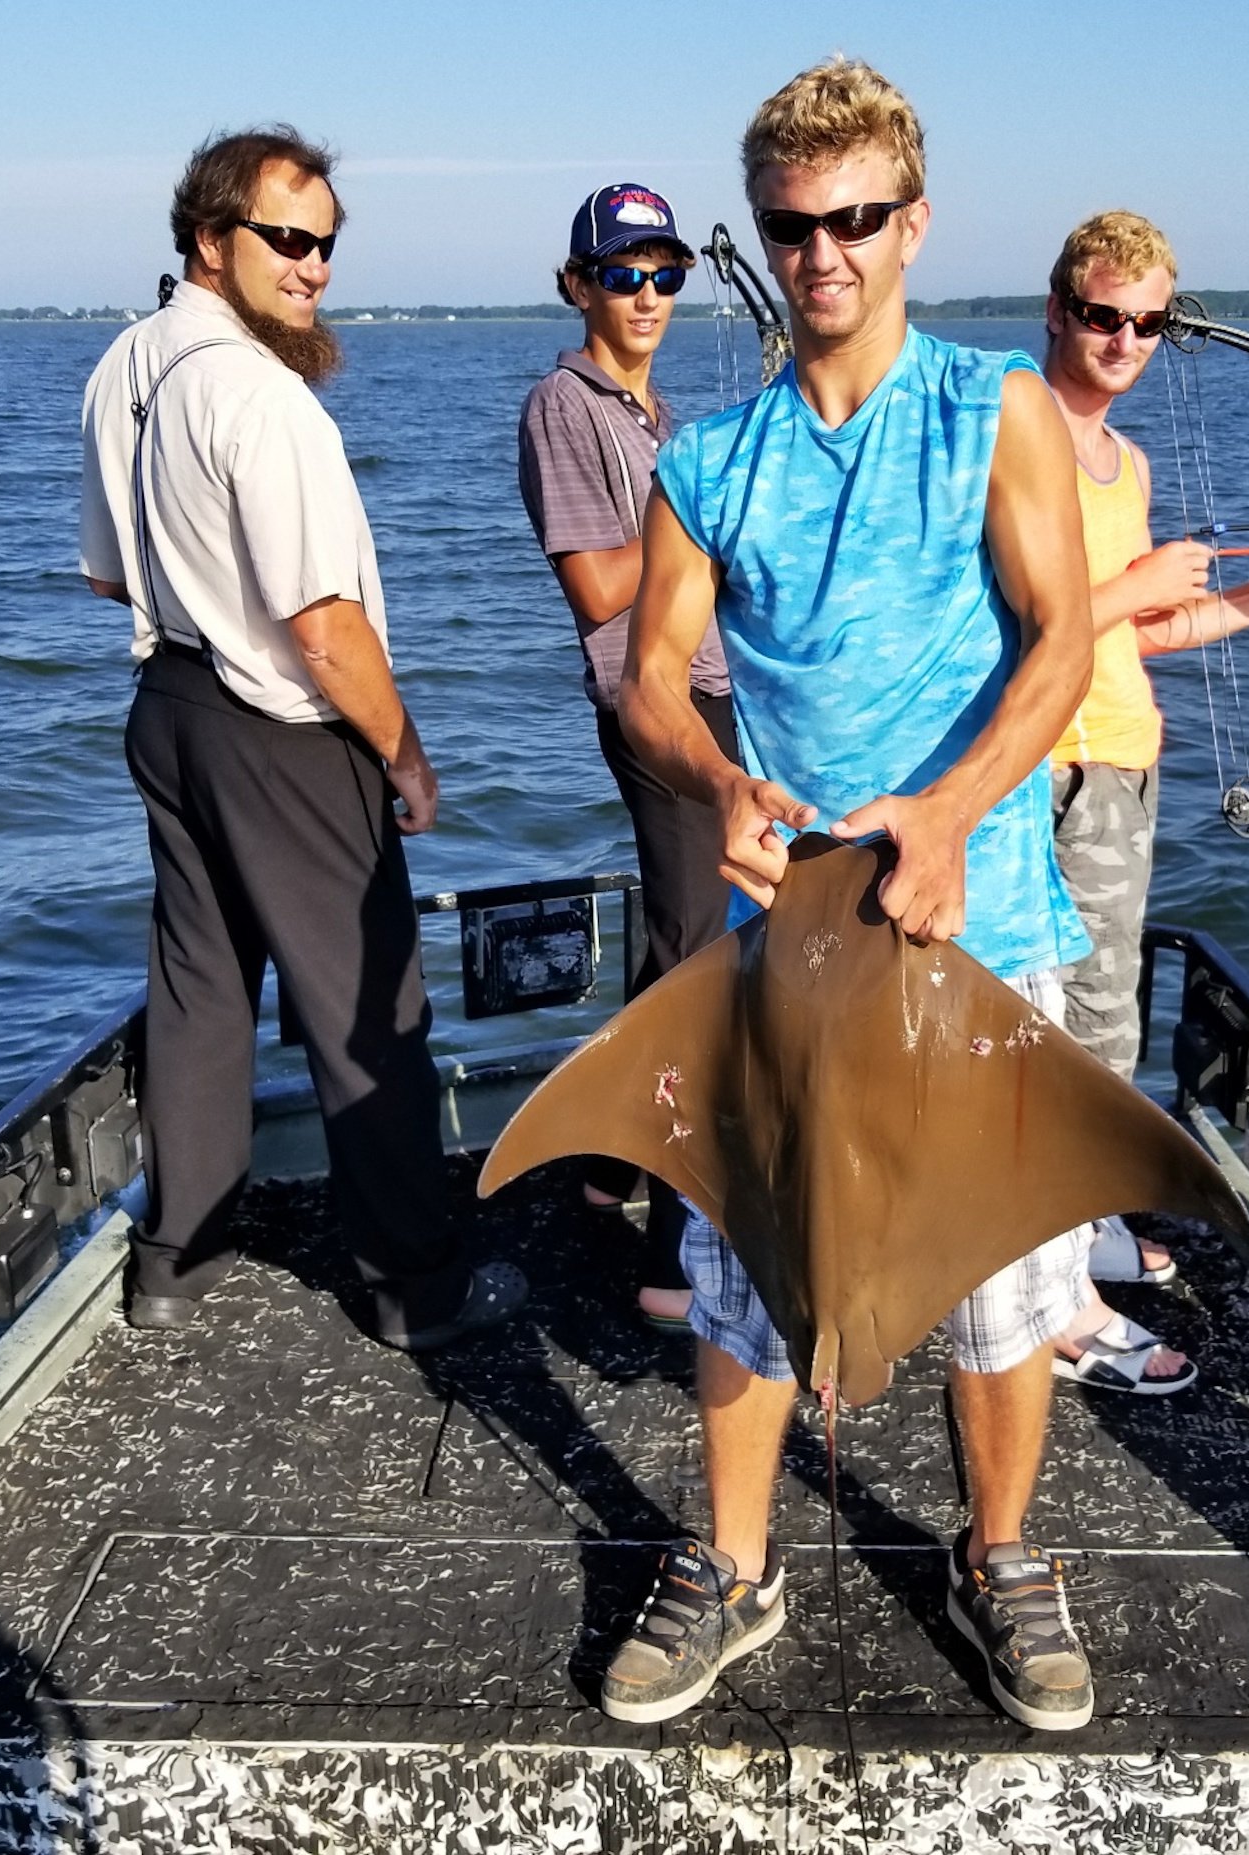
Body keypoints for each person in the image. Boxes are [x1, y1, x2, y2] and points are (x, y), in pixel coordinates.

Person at [607, 57, 1102, 1732]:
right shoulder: (709, 458)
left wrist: (952, 811)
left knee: (1002, 1284)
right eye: (791, 226)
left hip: (980, 929)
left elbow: (1065, 642)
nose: (823, 253)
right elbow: (650, 679)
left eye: (857, 219)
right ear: (762, 234)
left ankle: (1001, 1555)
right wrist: (719, 782)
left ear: (915, 223)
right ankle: (735, 1565)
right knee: (746, 1266)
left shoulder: (998, 408)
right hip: (793, 951)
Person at [79, 126, 525, 1347]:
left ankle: (176, 1261)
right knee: (364, 1004)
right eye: (284, 239)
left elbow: (109, 576)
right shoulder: (265, 399)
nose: (312, 266)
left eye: (325, 244)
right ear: (207, 239)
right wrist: (405, 755)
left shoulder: (122, 365)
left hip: (167, 708)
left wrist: (199, 601)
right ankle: (415, 1288)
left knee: (198, 988)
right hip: (280, 728)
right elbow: (325, 630)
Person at [1038, 211, 1249, 1391]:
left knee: (1103, 1023)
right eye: (1101, 315)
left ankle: (1068, 1229)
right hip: (1045, 770)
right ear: (1057, 309)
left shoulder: (1124, 462)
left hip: (1120, 765)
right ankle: (1050, 1298)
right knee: (1072, 1034)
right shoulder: (1016, 441)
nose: (1124, 340)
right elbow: (1005, 621)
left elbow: (1142, 631)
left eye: (1148, 323)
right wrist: (1132, 585)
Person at [517, 184, 736, 1331]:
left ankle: (606, 1163)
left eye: (663, 276)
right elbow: (598, 585)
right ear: (576, 285)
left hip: (711, 691)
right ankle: (670, 1255)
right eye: (620, 274)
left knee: (676, 939)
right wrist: (702, 523)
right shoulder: (562, 405)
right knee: (703, 963)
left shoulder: (660, 415)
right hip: (656, 706)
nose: (644, 295)